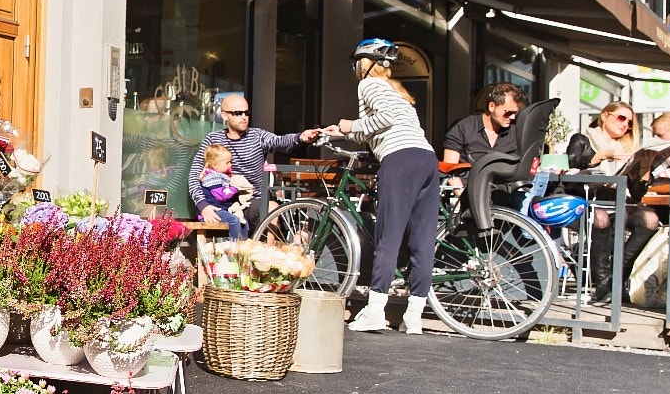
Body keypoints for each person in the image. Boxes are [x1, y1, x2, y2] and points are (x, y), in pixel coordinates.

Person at [325, 38, 438, 335]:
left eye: (356, 63)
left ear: (366, 64)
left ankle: (375, 311)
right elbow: (384, 125)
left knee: (388, 235)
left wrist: (350, 125)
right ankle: (414, 316)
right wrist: (346, 133)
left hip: (400, 160)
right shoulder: (395, 90)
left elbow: (386, 119)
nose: (355, 69)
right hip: (426, 159)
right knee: (422, 240)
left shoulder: (369, 85)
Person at [566, 102, 658, 304]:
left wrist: (645, 167)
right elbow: (572, 164)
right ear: (605, 115)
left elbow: (637, 193)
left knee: (650, 219)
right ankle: (602, 284)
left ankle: (617, 277)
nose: (625, 125)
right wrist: (602, 156)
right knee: (601, 218)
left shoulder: (627, 149)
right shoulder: (583, 139)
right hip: (586, 200)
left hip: (617, 202)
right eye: (621, 118)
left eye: (630, 123)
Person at [188, 92, 322, 227]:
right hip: (221, 203)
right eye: (238, 113)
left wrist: (300, 138)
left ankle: (266, 248)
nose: (244, 117)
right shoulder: (213, 140)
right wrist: (203, 206)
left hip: (252, 201)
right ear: (224, 115)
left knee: (272, 208)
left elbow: (280, 141)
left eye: (247, 113)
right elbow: (194, 175)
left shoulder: (257, 136)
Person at [442, 83, 526, 166]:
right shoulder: (463, 128)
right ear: (492, 106)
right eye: (508, 112)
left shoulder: (516, 133)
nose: (513, 117)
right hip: (467, 179)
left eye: (515, 113)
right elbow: (450, 170)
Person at [197, 145, 252, 239]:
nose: (230, 165)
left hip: (224, 209)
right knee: (233, 220)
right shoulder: (212, 177)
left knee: (243, 221)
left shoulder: (223, 176)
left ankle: (244, 244)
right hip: (214, 211)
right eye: (227, 162)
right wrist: (235, 188)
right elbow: (221, 195)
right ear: (215, 165)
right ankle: (235, 246)